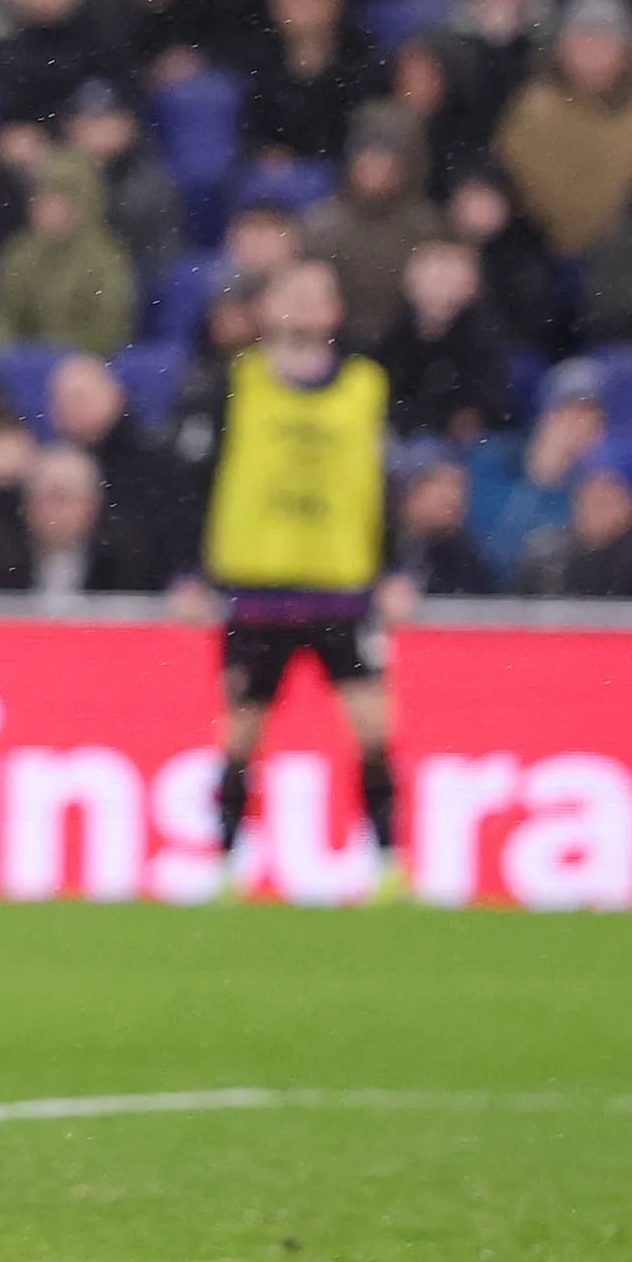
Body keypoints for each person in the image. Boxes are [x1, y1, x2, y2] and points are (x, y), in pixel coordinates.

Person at [185, 256, 408, 900]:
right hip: (256, 588)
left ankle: (389, 863)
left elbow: (383, 487)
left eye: (318, 296)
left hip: (342, 585)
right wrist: (193, 573)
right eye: (294, 295)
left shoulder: (367, 387)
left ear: (335, 313)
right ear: (267, 309)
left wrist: (394, 569)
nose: (306, 306)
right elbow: (199, 482)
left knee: (373, 730)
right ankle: (224, 863)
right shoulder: (236, 384)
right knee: (240, 732)